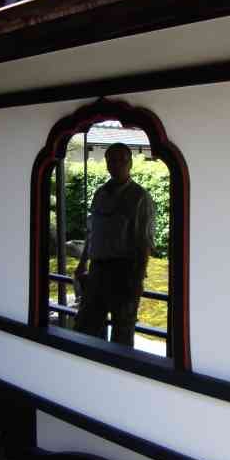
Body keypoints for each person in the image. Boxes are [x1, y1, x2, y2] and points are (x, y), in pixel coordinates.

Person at [73, 142, 155, 346]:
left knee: (122, 332)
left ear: (130, 164)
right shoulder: (100, 193)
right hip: (97, 270)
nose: (115, 164)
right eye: (111, 160)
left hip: (125, 272)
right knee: (87, 328)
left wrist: (137, 280)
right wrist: (83, 263)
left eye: (121, 160)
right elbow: (92, 231)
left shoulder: (139, 197)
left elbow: (144, 240)